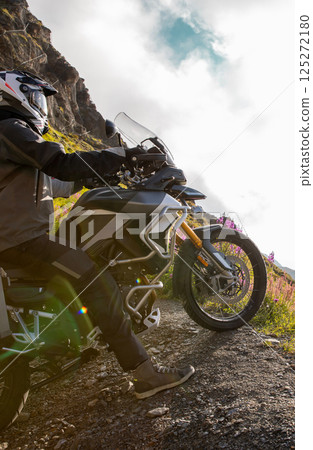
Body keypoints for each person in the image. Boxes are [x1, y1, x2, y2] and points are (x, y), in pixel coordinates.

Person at [0, 70, 194, 399]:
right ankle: (144, 375)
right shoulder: (8, 127)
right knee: (96, 281)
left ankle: (85, 333)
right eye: (37, 98)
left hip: (21, 238)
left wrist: (100, 177)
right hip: (18, 241)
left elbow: (57, 183)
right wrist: (124, 156)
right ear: (19, 95)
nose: (41, 107)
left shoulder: (12, 138)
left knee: (87, 259)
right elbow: (58, 162)